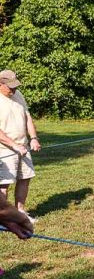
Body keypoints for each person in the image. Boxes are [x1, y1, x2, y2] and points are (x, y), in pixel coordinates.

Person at [0, 70, 41, 213]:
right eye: (10, 87)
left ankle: (20, 212)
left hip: (22, 146)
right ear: (0, 84)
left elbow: (27, 117)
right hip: (4, 149)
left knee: (25, 178)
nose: (14, 89)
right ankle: (3, 217)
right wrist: (13, 145)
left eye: (15, 86)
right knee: (4, 184)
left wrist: (33, 138)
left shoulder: (18, 95)